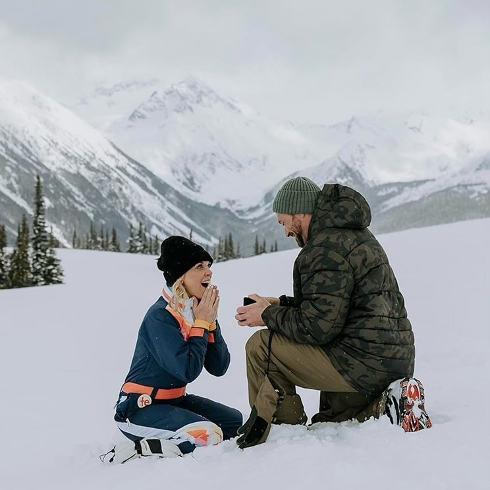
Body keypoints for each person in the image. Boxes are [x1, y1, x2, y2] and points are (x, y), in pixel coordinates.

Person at [235, 177, 432, 449]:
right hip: (390, 360)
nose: (286, 232)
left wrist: (267, 316)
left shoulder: (324, 248)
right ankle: (393, 403)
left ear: (300, 213)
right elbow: (335, 304)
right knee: (335, 422)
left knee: (260, 346)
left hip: (360, 359)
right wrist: (280, 303)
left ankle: (282, 431)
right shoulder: (350, 233)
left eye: (284, 222)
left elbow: (317, 328)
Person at [101, 236, 243, 463]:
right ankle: (139, 450)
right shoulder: (160, 315)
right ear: (180, 275)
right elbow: (186, 370)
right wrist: (201, 325)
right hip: (138, 407)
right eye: (199, 266)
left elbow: (219, 367)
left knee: (235, 424)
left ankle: (172, 437)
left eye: (209, 266)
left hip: (174, 401)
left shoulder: (195, 312)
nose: (209, 272)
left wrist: (211, 324)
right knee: (209, 435)